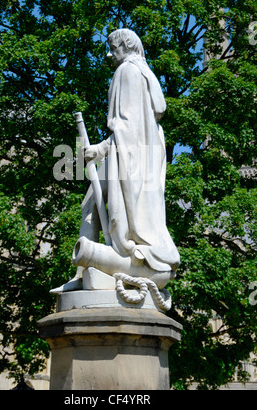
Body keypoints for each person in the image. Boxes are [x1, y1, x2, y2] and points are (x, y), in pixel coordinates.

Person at [51, 29, 179, 294]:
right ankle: (85, 271)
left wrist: (100, 149)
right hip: (139, 153)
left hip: (129, 152)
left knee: (91, 203)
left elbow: (127, 127)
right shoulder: (145, 74)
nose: (109, 54)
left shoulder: (126, 72)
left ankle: (86, 268)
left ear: (127, 46)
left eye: (113, 47)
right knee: (92, 202)